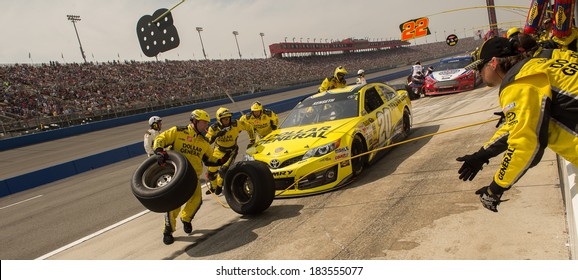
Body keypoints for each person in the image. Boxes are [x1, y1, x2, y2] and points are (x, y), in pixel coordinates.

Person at [457, 37, 578, 212]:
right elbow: (521, 124)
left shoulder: (518, 82)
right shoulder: (540, 63)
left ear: (493, 63)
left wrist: (495, 189)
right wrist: (482, 155)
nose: (478, 74)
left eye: (479, 67)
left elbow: (526, 143)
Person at [153, 109, 226, 245]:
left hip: (194, 177)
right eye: (204, 123)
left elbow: (209, 159)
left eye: (207, 123)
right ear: (195, 121)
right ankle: (168, 231)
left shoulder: (204, 142)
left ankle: (186, 219)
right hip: (176, 177)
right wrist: (159, 151)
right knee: (174, 205)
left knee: (197, 200)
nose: (206, 126)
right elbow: (160, 139)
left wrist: (220, 161)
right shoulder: (178, 131)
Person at [205, 107, 255, 195]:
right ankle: (213, 187)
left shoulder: (236, 124)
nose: (227, 121)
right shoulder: (213, 128)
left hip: (231, 151)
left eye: (228, 119)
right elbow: (207, 141)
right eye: (224, 119)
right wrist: (217, 134)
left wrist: (252, 141)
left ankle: (220, 186)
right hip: (218, 150)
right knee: (211, 172)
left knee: (223, 170)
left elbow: (249, 127)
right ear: (219, 120)